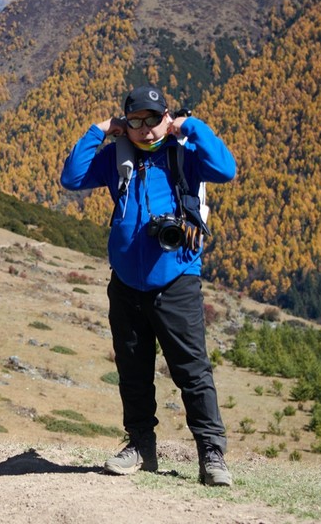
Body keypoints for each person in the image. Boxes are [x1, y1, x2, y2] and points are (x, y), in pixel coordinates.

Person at [60, 84, 236, 486]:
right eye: (136, 121)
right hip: (126, 283)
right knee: (133, 370)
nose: (145, 129)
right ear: (126, 123)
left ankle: (211, 454)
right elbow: (71, 178)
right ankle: (140, 446)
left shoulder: (184, 155)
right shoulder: (116, 158)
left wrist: (190, 126)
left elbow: (226, 169)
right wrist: (100, 129)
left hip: (177, 280)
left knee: (191, 371)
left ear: (165, 117)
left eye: (153, 119)